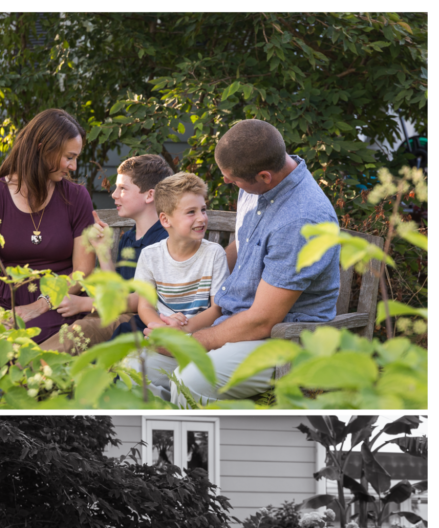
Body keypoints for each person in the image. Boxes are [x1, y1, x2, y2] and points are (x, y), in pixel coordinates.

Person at [169, 119, 341, 403]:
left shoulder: (301, 221)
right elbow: (247, 243)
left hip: (286, 338)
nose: (226, 182)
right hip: (236, 321)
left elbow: (262, 321)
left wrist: (194, 341)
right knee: (141, 367)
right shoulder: (259, 187)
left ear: (264, 176)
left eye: (233, 180)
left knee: (189, 382)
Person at [0, 108, 103, 354]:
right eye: (69, 157)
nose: (73, 166)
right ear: (43, 149)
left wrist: (41, 305)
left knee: (20, 354)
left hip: (60, 303)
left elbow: (83, 269)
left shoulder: (76, 197)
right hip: (12, 304)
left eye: (76, 158)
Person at [122, 172, 230, 400]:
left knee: (192, 382)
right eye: (191, 212)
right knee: (131, 369)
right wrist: (160, 327)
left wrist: (184, 329)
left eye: (203, 210)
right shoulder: (151, 256)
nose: (201, 218)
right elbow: (145, 305)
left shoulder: (214, 255)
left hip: (202, 343)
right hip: (164, 342)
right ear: (165, 220)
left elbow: (217, 309)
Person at [63, 154, 175, 339]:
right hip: (120, 314)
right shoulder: (129, 237)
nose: (114, 194)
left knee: (79, 332)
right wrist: (103, 250)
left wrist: (86, 303)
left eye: (123, 188)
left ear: (149, 195)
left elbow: (142, 299)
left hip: (142, 322)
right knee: (74, 327)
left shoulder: (165, 240)